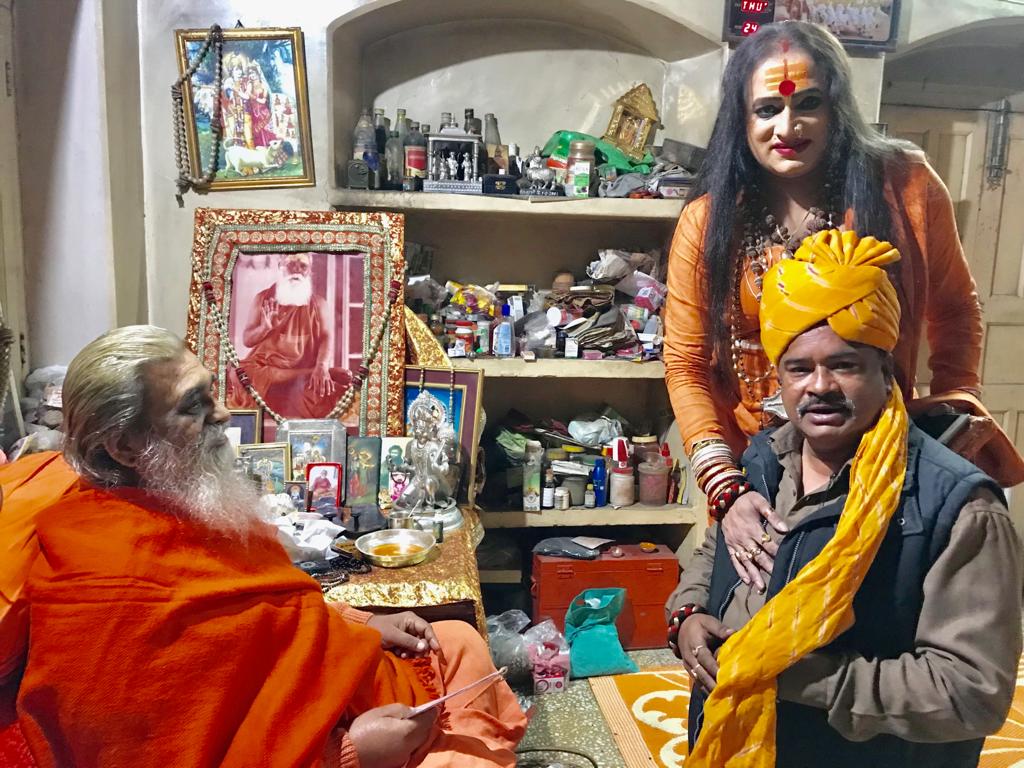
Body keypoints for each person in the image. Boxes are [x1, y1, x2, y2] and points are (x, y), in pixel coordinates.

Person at [1, 325, 526, 767]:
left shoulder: (182, 502)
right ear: (125, 446)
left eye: (212, 394)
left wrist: (361, 621)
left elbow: (270, 607)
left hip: (340, 690)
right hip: (325, 746)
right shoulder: (104, 590)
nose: (223, 415)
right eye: (193, 406)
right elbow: (158, 750)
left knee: (456, 638)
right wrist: (349, 754)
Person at [661, 20, 1007, 592]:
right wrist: (726, 487)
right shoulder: (708, 220)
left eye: (808, 105)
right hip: (756, 470)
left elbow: (955, 311)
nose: (787, 127)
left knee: (881, 612)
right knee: (747, 614)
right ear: (741, 119)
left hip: (881, 455)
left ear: (837, 108)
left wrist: (953, 416)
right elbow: (686, 362)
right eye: (766, 109)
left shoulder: (906, 187)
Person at [666, 231, 1022, 767]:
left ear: (886, 370)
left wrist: (791, 673)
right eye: (799, 368)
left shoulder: (956, 508)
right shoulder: (763, 462)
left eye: (845, 364)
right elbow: (714, 558)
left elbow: (970, 692)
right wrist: (689, 616)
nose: (820, 386)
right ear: (779, 378)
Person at [229, 252, 357, 421]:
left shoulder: (319, 304)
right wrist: (264, 328)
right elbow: (247, 340)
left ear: (309, 271)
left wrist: (322, 365)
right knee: (239, 373)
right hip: (266, 369)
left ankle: (311, 373)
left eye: (303, 266)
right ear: (280, 267)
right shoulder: (262, 299)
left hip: (301, 374)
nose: (296, 270)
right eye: (291, 265)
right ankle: (310, 373)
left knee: (326, 396)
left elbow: (326, 337)